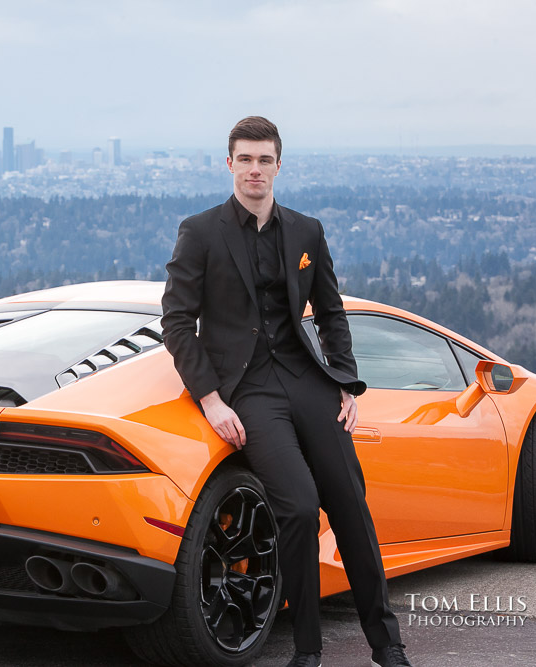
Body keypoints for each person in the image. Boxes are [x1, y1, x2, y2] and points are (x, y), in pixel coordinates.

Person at [160, 116, 412, 667]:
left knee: (350, 505)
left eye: (264, 159)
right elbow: (176, 322)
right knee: (297, 508)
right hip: (248, 391)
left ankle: (387, 645)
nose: (255, 169)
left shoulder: (306, 231)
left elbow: (330, 310)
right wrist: (210, 399)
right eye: (245, 159)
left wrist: (345, 381)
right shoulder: (200, 232)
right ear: (229, 164)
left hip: (307, 381)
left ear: (279, 164)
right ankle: (307, 650)